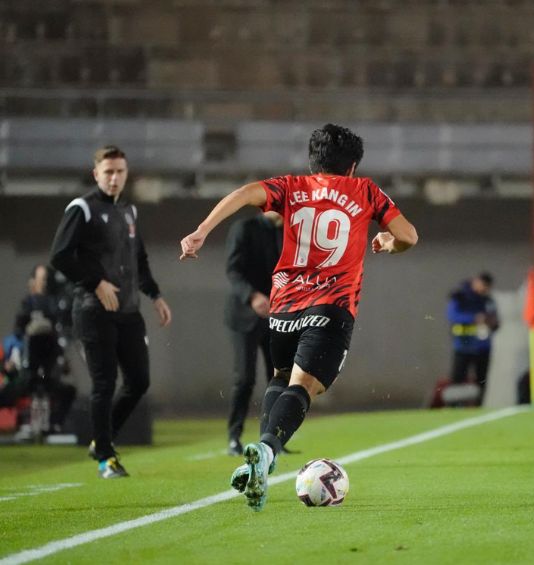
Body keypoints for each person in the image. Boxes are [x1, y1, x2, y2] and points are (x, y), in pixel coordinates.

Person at [179, 124, 418, 511]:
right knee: (305, 387)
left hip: (285, 305)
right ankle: (269, 452)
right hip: (331, 305)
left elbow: (243, 194)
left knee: (279, 377)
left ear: (312, 160)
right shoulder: (366, 191)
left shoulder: (291, 186)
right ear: (353, 166)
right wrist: (389, 243)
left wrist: (201, 231)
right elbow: (409, 235)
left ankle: (261, 460)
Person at [50, 145, 172, 478]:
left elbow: (140, 260)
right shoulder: (82, 209)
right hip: (93, 309)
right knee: (104, 383)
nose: (115, 177)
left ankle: (100, 440)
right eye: (108, 172)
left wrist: (155, 295)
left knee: (139, 381)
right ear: (96, 174)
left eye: (120, 171)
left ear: (126, 173)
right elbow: (60, 255)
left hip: (128, 310)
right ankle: (106, 457)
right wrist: (96, 282)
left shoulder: (129, 211)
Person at [224, 211, 283, 456]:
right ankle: (234, 437)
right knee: (245, 379)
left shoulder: (288, 231)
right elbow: (233, 270)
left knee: (278, 378)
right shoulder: (244, 227)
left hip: (277, 316)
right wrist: (253, 296)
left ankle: (271, 438)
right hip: (244, 316)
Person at [14, 264, 77, 434]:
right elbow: (18, 333)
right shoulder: (27, 305)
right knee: (29, 387)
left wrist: (61, 359)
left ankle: (52, 424)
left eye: (46, 279)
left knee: (65, 391)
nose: (44, 283)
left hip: (48, 367)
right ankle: (28, 424)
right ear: (32, 281)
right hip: (29, 369)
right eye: (41, 279)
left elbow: (58, 335)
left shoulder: (53, 305)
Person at [446, 273, 499, 405]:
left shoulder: (487, 301)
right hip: (463, 345)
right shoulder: (460, 297)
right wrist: (474, 318)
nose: (484, 289)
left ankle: (478, 406)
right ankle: (454, 406)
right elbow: (453, 316)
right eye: (483, 285)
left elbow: (496, 322)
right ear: (476, 282)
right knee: (458, 379)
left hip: (483, 346)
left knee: (481, 379)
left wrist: (492, 322)